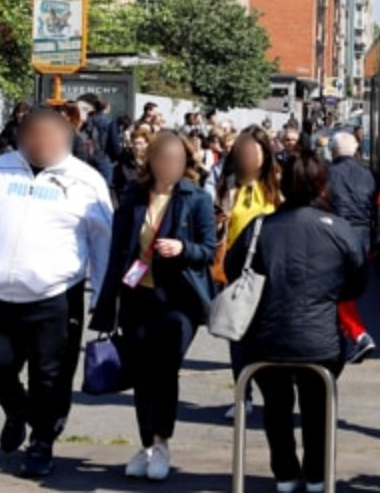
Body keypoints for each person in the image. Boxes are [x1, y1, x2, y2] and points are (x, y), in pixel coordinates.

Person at [0, 107, 112, 478]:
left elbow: (103, 242)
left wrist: (104, 296)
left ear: (65, 139)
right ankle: (17, 409)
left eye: (49, 138)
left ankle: (41, 443)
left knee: (50, 377)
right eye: (33, 136)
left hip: (54, 295)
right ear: (21, 137)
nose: (40, 144)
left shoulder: (86, 182)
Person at [224, 150, 366, 493]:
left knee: (276, 405)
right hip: (320, 339)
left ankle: (285, 473)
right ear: (323, 185)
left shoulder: (261, 227)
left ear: (283, 184)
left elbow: (232, 270)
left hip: (267, 335)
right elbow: (358, 282)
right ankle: (318, 475)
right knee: (317, 406)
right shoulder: (340, 230)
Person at [91, 130, 216, 483]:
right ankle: (146, 444)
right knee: (142, 373)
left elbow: (208, 249)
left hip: (179, 301)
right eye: (164, 159)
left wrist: (183, 248)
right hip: (137, 297)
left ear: (185, 163)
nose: (170, 166)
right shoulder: (132, 196)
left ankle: (162, 443)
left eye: (177, 161)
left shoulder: (196, 199)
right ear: (152, 161)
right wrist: (104, 302)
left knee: (165, 369)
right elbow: (118, 253)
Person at [214, 125, 281, 420]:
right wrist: (219, 222)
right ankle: (243, 396)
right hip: (237, 273)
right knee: (238, 339)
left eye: (254, 152)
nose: (248, 158)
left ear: (266, 155)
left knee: (268, 340)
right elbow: (217, 232)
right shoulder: (229, 187)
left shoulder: (277, 186)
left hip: (270, 273)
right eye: (243, 152)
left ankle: (274, 396)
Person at [327, 131, 378, 363]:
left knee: (335, 291)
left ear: (333, 150)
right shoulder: (368, 175)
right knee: (344, 291)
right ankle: (352, 338)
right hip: (362, 240)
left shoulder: (328, 174)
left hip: (335, 238)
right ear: (356, 150)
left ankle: (358, 335)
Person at [77, 93, 123, 189]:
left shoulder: (87, 120)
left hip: (87, 157)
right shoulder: (109, 121)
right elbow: (114, 142)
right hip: (104, 158)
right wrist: (116, 157)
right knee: (104, 188)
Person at [114, 127, 152, 195]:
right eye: (134, 143)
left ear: (147, 144)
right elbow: (117, 185)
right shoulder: (124, 162)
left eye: (140, 143)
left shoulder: (152, 163)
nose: (137, 147)